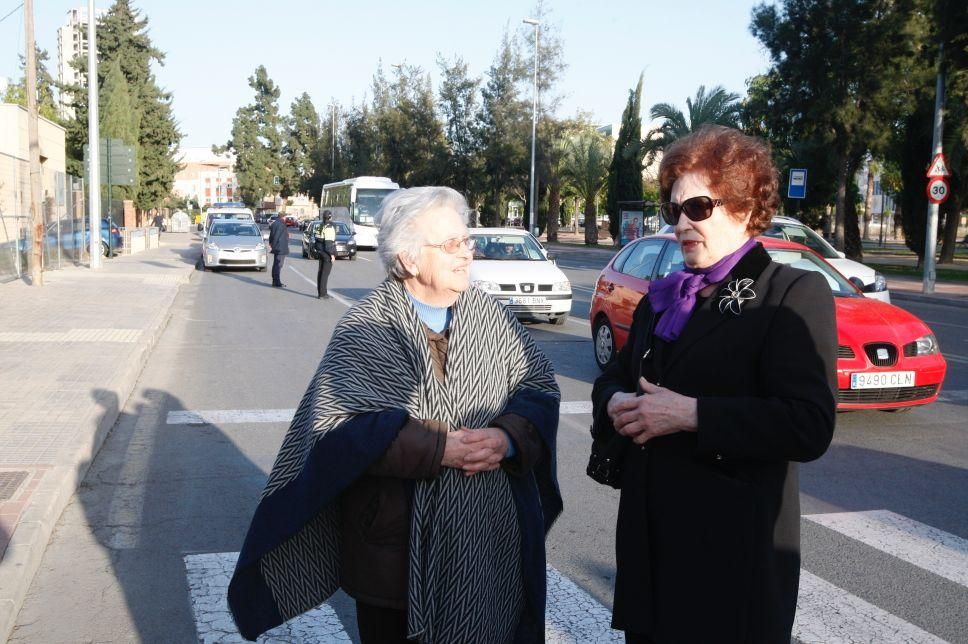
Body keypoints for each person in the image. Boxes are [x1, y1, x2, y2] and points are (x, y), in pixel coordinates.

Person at [228, 186, 562, 643]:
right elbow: (337, 428)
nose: (466, 254)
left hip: (489, 544)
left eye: (466, 241)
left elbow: (537, 387)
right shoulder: (365, 326)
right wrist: (439, 449)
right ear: (406, 259)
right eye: (450, 245)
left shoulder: (491, 316)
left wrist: (505, 438)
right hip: (396, 558)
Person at [590, 125, 837, 644]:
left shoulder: (789, 293)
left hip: (729, 563)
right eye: (673, 209)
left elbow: (809, 424)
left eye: (698, 207)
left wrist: (692, 414)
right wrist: (615, 400)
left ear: (745, 209)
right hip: (652, 550)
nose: (681, 222)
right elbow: (616, 373)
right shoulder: (666, 294)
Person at [314, 210, 337, 299]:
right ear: (330, 217)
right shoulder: (329, 227)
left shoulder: (319, 226)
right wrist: (332, 255)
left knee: (320, 272)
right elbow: (328, 244)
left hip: (320, 251)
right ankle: (323, 294)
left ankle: (321, 292)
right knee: (325, 274)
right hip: (326, 253)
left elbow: (316, 238)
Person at [267, 212, 289, 287]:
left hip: (277, 247)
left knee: (276, 264)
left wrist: (271, 244)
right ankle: (277, 282)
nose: (286, 218)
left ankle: (275, 280)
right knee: (278, 265)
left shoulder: (275, 223)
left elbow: (271, 235)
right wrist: (274, 245)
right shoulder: (281, 224)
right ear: (283, 217)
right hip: (280, 247)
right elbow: (276, 236)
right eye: (285, 216)